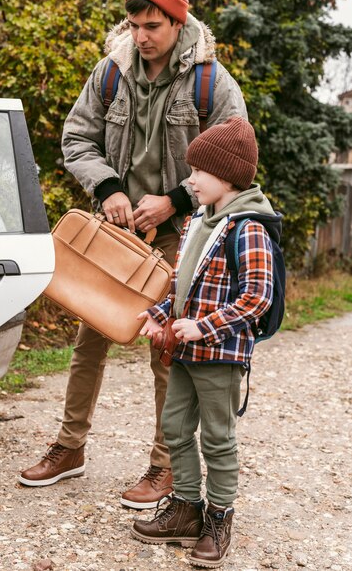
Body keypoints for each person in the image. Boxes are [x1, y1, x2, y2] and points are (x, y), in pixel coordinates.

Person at [19, 0, 247, 510]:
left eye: (152, 25)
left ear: (178, 19)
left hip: (176, 234)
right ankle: (68, 449)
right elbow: (77, 138)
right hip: (114, 232)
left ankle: (163, 466)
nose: (141, 36)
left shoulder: (212, 82)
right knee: (89, 340)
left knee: (165, 350)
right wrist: (110, 188)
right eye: (134, 24)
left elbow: (234, 159)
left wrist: (177, 198)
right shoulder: (110, 72)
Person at [131, 116, 280, 567]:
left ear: (229, 177)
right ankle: (187, 509)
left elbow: (257, 297)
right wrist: (159, 316)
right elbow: (181, 287)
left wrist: (205, 326)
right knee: (175, 428)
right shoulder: (200, 219)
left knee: (217, 437)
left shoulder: (248, 227)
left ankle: (219, 517)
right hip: (185, 351)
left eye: (199, 172)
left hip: (219, 354)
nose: (189, 180)